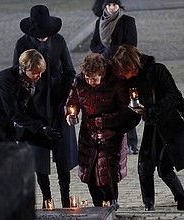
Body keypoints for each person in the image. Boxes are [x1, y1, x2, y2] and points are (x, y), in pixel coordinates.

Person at [13, 5, 78, 208]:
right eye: (39, 35)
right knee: (38, 155)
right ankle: (46, 197)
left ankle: (66, 197)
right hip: (35, 106)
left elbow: (69, 70)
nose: (43, 38)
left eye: (46, 35)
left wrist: (66, 100)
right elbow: (17, 75)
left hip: (58, 104)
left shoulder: (58, 41)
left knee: (63, 154)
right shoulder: (22, 44)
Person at [112, 44, 184, 211]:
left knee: (164, 167)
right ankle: (148, 204)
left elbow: (174, 97)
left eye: (124, 70)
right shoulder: (131, 82)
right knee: (144, 165)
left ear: (132, 65)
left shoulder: (157, 71)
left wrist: (151, 109)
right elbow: (131, 113)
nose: (122, 75)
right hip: (152, 126)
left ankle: (181, 197)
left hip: (170, 124)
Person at [66, 53, 140, 207]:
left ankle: (112, 204)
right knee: (90, 174)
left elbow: (127, 111)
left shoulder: (116, 82)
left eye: (94, 78)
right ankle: (98, 207)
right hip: (88, 135)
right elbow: (72, 101)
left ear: (102, 73)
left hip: (111, 135)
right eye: (87, 77)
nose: (89, 81)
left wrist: (108, 122)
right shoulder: (79, 81)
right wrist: (70, 113)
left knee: (108, 175)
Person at [90, 0, 139, 154]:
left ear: (119, 6)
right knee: (109, 103)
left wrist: (112, 51)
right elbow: (94, 44)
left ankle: (132, 142)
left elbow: (131, 43)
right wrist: (103, 52)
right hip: (105, 67)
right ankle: (110, 137)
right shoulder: (100, 21)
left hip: (122, 66)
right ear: (105, 6)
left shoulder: (127, 21)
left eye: (115, 5)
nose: (112, 8)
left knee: (126, 102)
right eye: (109, 5)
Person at [0, 49, 46, 142]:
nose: (39, 76)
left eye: (41, 73)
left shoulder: (30, 80)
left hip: (7, 121)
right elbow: (13, 111)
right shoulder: (6, 80)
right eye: (35, 73)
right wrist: (39, 127)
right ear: (24, 69)